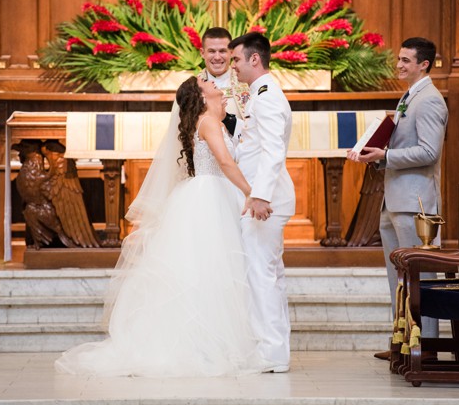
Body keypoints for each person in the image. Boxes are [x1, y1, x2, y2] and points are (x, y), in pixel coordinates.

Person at [56, 76, 267, 377]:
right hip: (211, 198)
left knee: (205, 271)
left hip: (208, 195)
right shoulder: (208, 122)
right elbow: (226, 162)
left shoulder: (207, 120)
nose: (215, 85)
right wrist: (251, 192)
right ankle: (203, 346)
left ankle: (206, 343)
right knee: (208, 270)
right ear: (201, 96)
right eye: (208, 84)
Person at [347, 37, 448, 359]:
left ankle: (427, 346)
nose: (400, 65)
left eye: (406, 60)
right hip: (395, 197)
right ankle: (403, 342)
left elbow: (430, 152)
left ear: (424, 65)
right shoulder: (410, 96)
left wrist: (387, 154)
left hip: (414, 202)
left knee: (421, 274)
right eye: (400, 59)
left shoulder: (430, 99)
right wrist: (376, 154)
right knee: (398, 276)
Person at [230, 32, 295, 373]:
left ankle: (271, 353)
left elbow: (273, 150)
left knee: (261, 276)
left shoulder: (267, 97)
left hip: (265, 201)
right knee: (269, 275)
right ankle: (275, 348)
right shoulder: (260, 94)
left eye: (237, 60)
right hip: (263, 197)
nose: (233, 67)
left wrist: (259, 195)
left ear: (254, 59)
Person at [198, 26, 248, 135]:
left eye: (222, 51)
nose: (217, 57)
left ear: (231, 52)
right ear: (202, 53)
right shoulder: (192, 88)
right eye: (211, 51)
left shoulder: (247, 83)